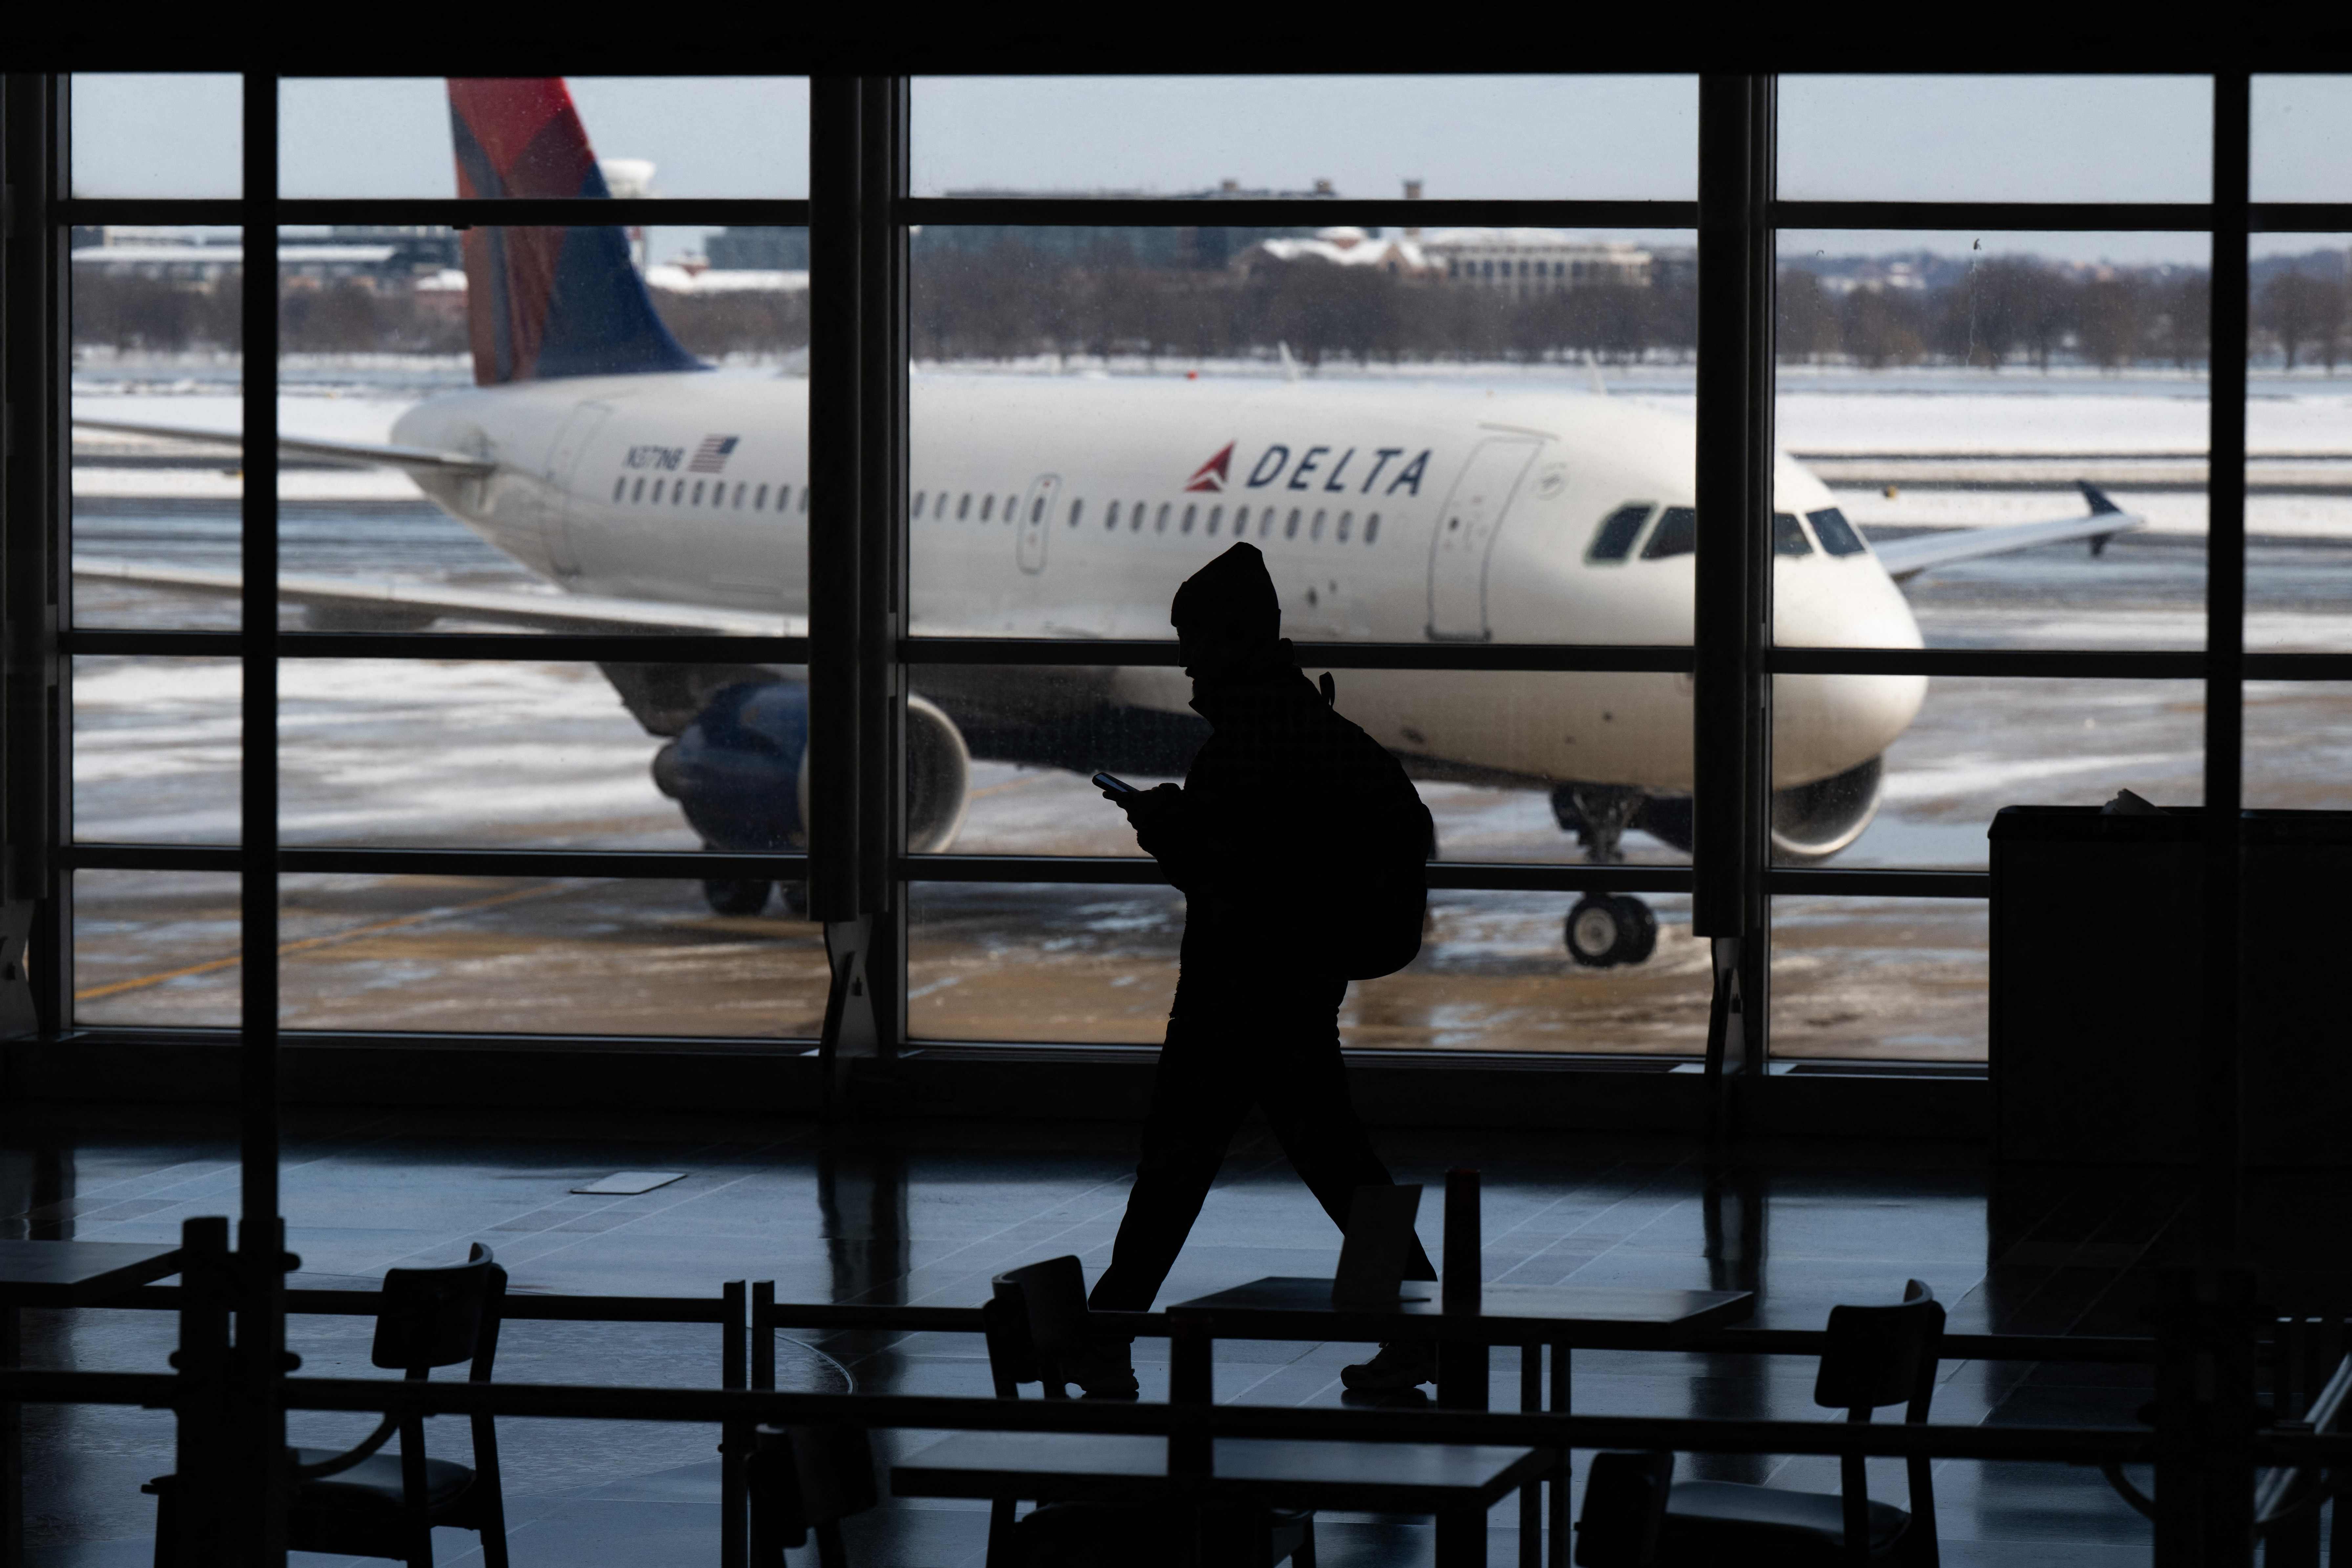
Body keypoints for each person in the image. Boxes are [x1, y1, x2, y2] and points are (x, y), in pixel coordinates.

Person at [1071, 541, 1438, 1399]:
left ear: (1229, 642)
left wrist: (1167, 829)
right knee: (1343, 1170)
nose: (1186, 660)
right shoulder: (1312, 727)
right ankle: (1417, 1331)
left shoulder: (1244, 748)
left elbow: (1234, 879)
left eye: (1194, 640)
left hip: (1233, 999)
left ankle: (1107, 1332)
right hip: (1298, 990)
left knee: (1175, 1174)